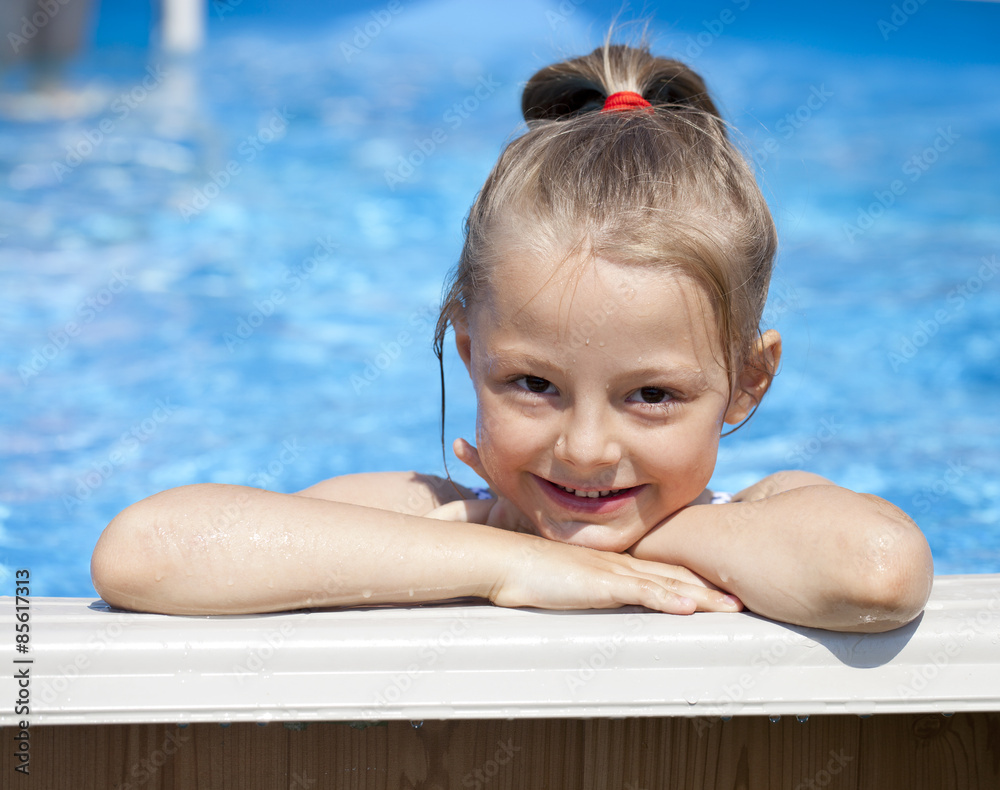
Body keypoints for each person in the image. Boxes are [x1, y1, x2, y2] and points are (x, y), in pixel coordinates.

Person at [91, 41, 933, 632]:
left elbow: (877, 574)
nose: (587, 449)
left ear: (749, 383)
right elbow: (145, 551)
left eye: (652, 395)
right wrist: (512, 563)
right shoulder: (442, 517)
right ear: (468, 351)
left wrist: (660, 536)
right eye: (533, 385)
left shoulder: (762, 516)